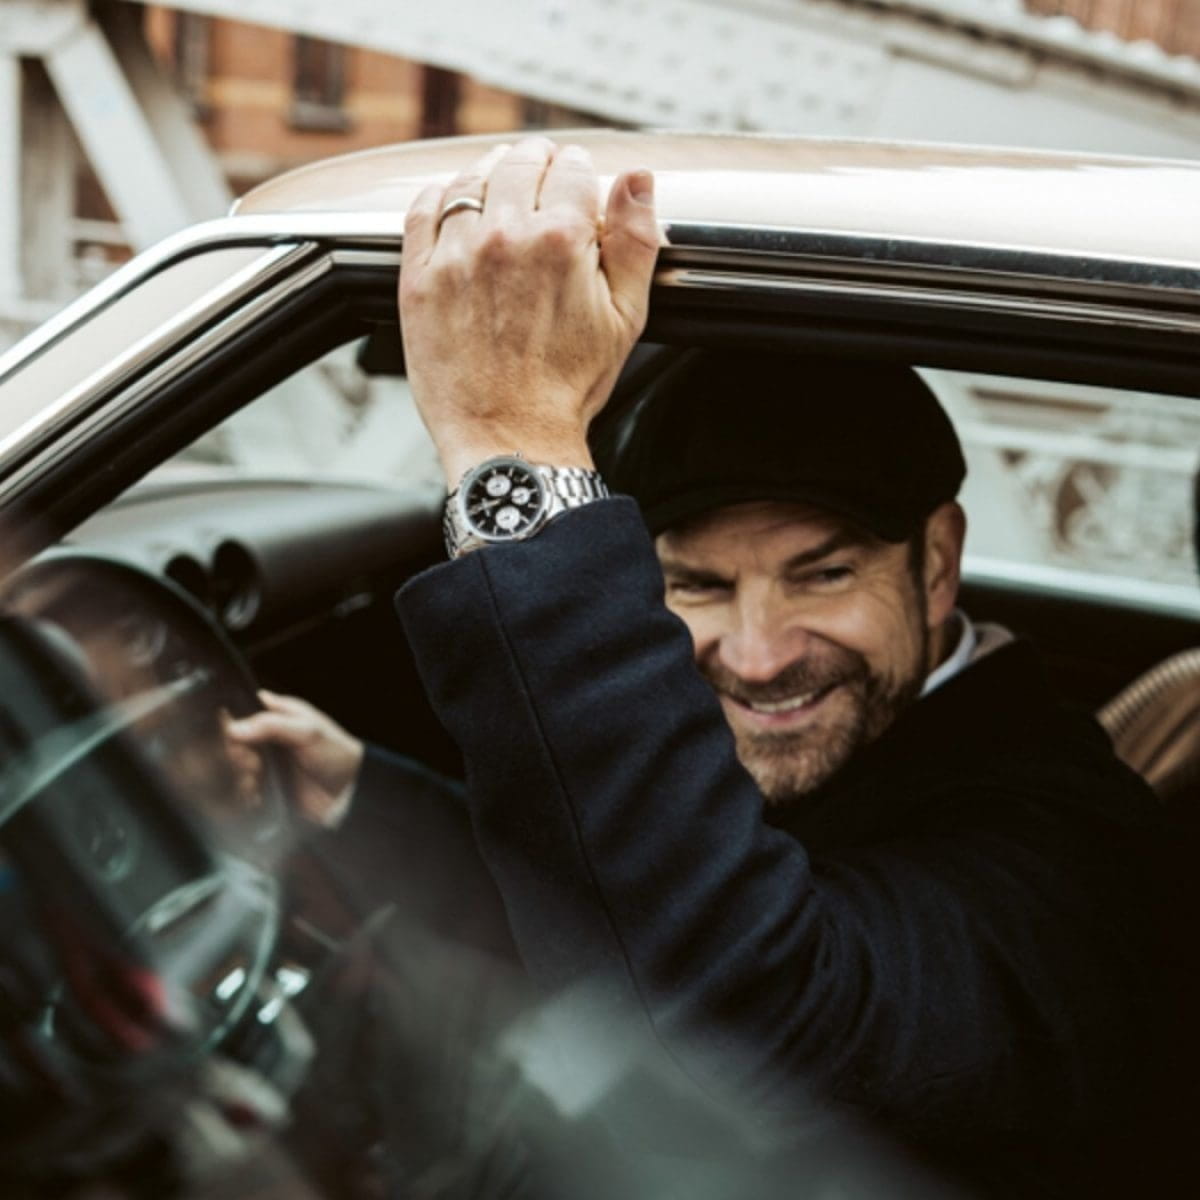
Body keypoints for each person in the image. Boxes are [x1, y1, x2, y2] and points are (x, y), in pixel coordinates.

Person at [230, 137, 1190, 1197]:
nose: (759, 654)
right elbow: (622, 908)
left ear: (936, 568)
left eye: (822, 575)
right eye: (697, 586)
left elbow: (743, 1022)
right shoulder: (897, 751)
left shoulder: (1063, 863)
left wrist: (510, 445)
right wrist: (370, 800)